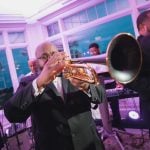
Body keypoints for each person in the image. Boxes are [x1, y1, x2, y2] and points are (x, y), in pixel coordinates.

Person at [3, 42, 105, 150]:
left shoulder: (78, 72)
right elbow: (11, 114)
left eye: (53, 54)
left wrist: (86, 86)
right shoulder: (28, 82)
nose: (51, 59)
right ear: (37, 62)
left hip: (89, 142)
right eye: (44, 57)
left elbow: (101, 96)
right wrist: (39, 82)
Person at [89, 42, 123, 131]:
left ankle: (118, 126)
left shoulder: (106, 58)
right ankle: (108, 128)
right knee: (103, 109)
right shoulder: (89, 62)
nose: (93, 53)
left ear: (98, 50)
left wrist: (118, 81)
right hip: (99, 86)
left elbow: (113, 71)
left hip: (109, 84)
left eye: (94, 51)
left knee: (115, 106)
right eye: (91, 52)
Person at [128, 10, 150, 129]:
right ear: (143, 27)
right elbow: (130, 79)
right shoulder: (137, 47)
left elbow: (130, 80)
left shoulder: (136, 47)